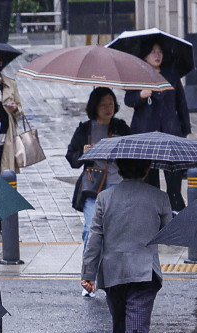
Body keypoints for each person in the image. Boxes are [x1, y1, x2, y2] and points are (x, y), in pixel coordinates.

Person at [80, 158, 172, 333]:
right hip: (144, 272)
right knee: (137, 328)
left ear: (119, 168)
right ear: (147, 169)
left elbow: (94, 238)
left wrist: (88, 274)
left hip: (113, 272)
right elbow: (168, 232)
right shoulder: (159, 197)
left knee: (119, 325)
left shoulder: (104, 198)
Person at [66, 86, 131, 290]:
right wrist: (84, 153)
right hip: (93, 188)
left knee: (116, 232)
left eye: (111, 104)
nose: (108, 108)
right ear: (94, 106)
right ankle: (89, 276)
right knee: (90, 230)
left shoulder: (120, 127)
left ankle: (115, 276)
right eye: (103, 105)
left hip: (118, 185)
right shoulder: (85, 129)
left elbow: (133, 155)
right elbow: (71, 158)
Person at [124, 41, 191, 212]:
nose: (157, 55)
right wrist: (140, 95)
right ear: (145, 56)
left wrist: (185, 131)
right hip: (146, 136)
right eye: (153, 51)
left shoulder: (171, 75)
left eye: (159, 51)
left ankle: (176, 212)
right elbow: (128, 100)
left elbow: (181, 103)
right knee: (150, 181)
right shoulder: (138, 76)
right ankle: (153, 214)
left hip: (170, 134)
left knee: (174, 181)